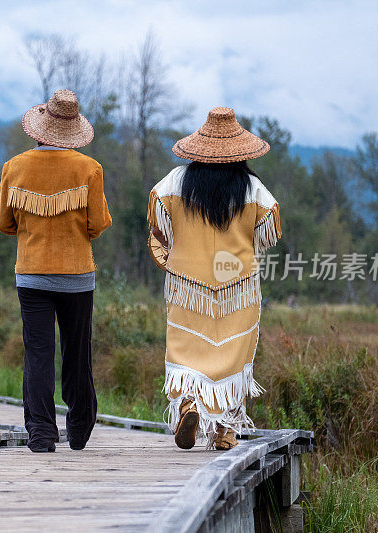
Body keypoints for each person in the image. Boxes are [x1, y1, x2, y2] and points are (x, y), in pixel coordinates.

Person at [146, 107, 281, 450]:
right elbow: (269, 230)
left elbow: (157, 219)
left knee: (185, 351)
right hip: (237, 287)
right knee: (235, 355)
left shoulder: (176, 181)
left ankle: (190, 405)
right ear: (240, 151)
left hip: (187, 287)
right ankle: (226, 431)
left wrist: (176, 244)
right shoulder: (252, 187)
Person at [0, 89, 112, 453]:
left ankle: (42, 433)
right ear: (73, 131)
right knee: (77, 351)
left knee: (38, 352)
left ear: (39, 128)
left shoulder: (14, 167)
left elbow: (2, 222)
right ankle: (78, 428)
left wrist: (30, 230)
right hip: (77, 275)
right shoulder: (89, 169)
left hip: (32, 274)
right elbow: (99, 223)